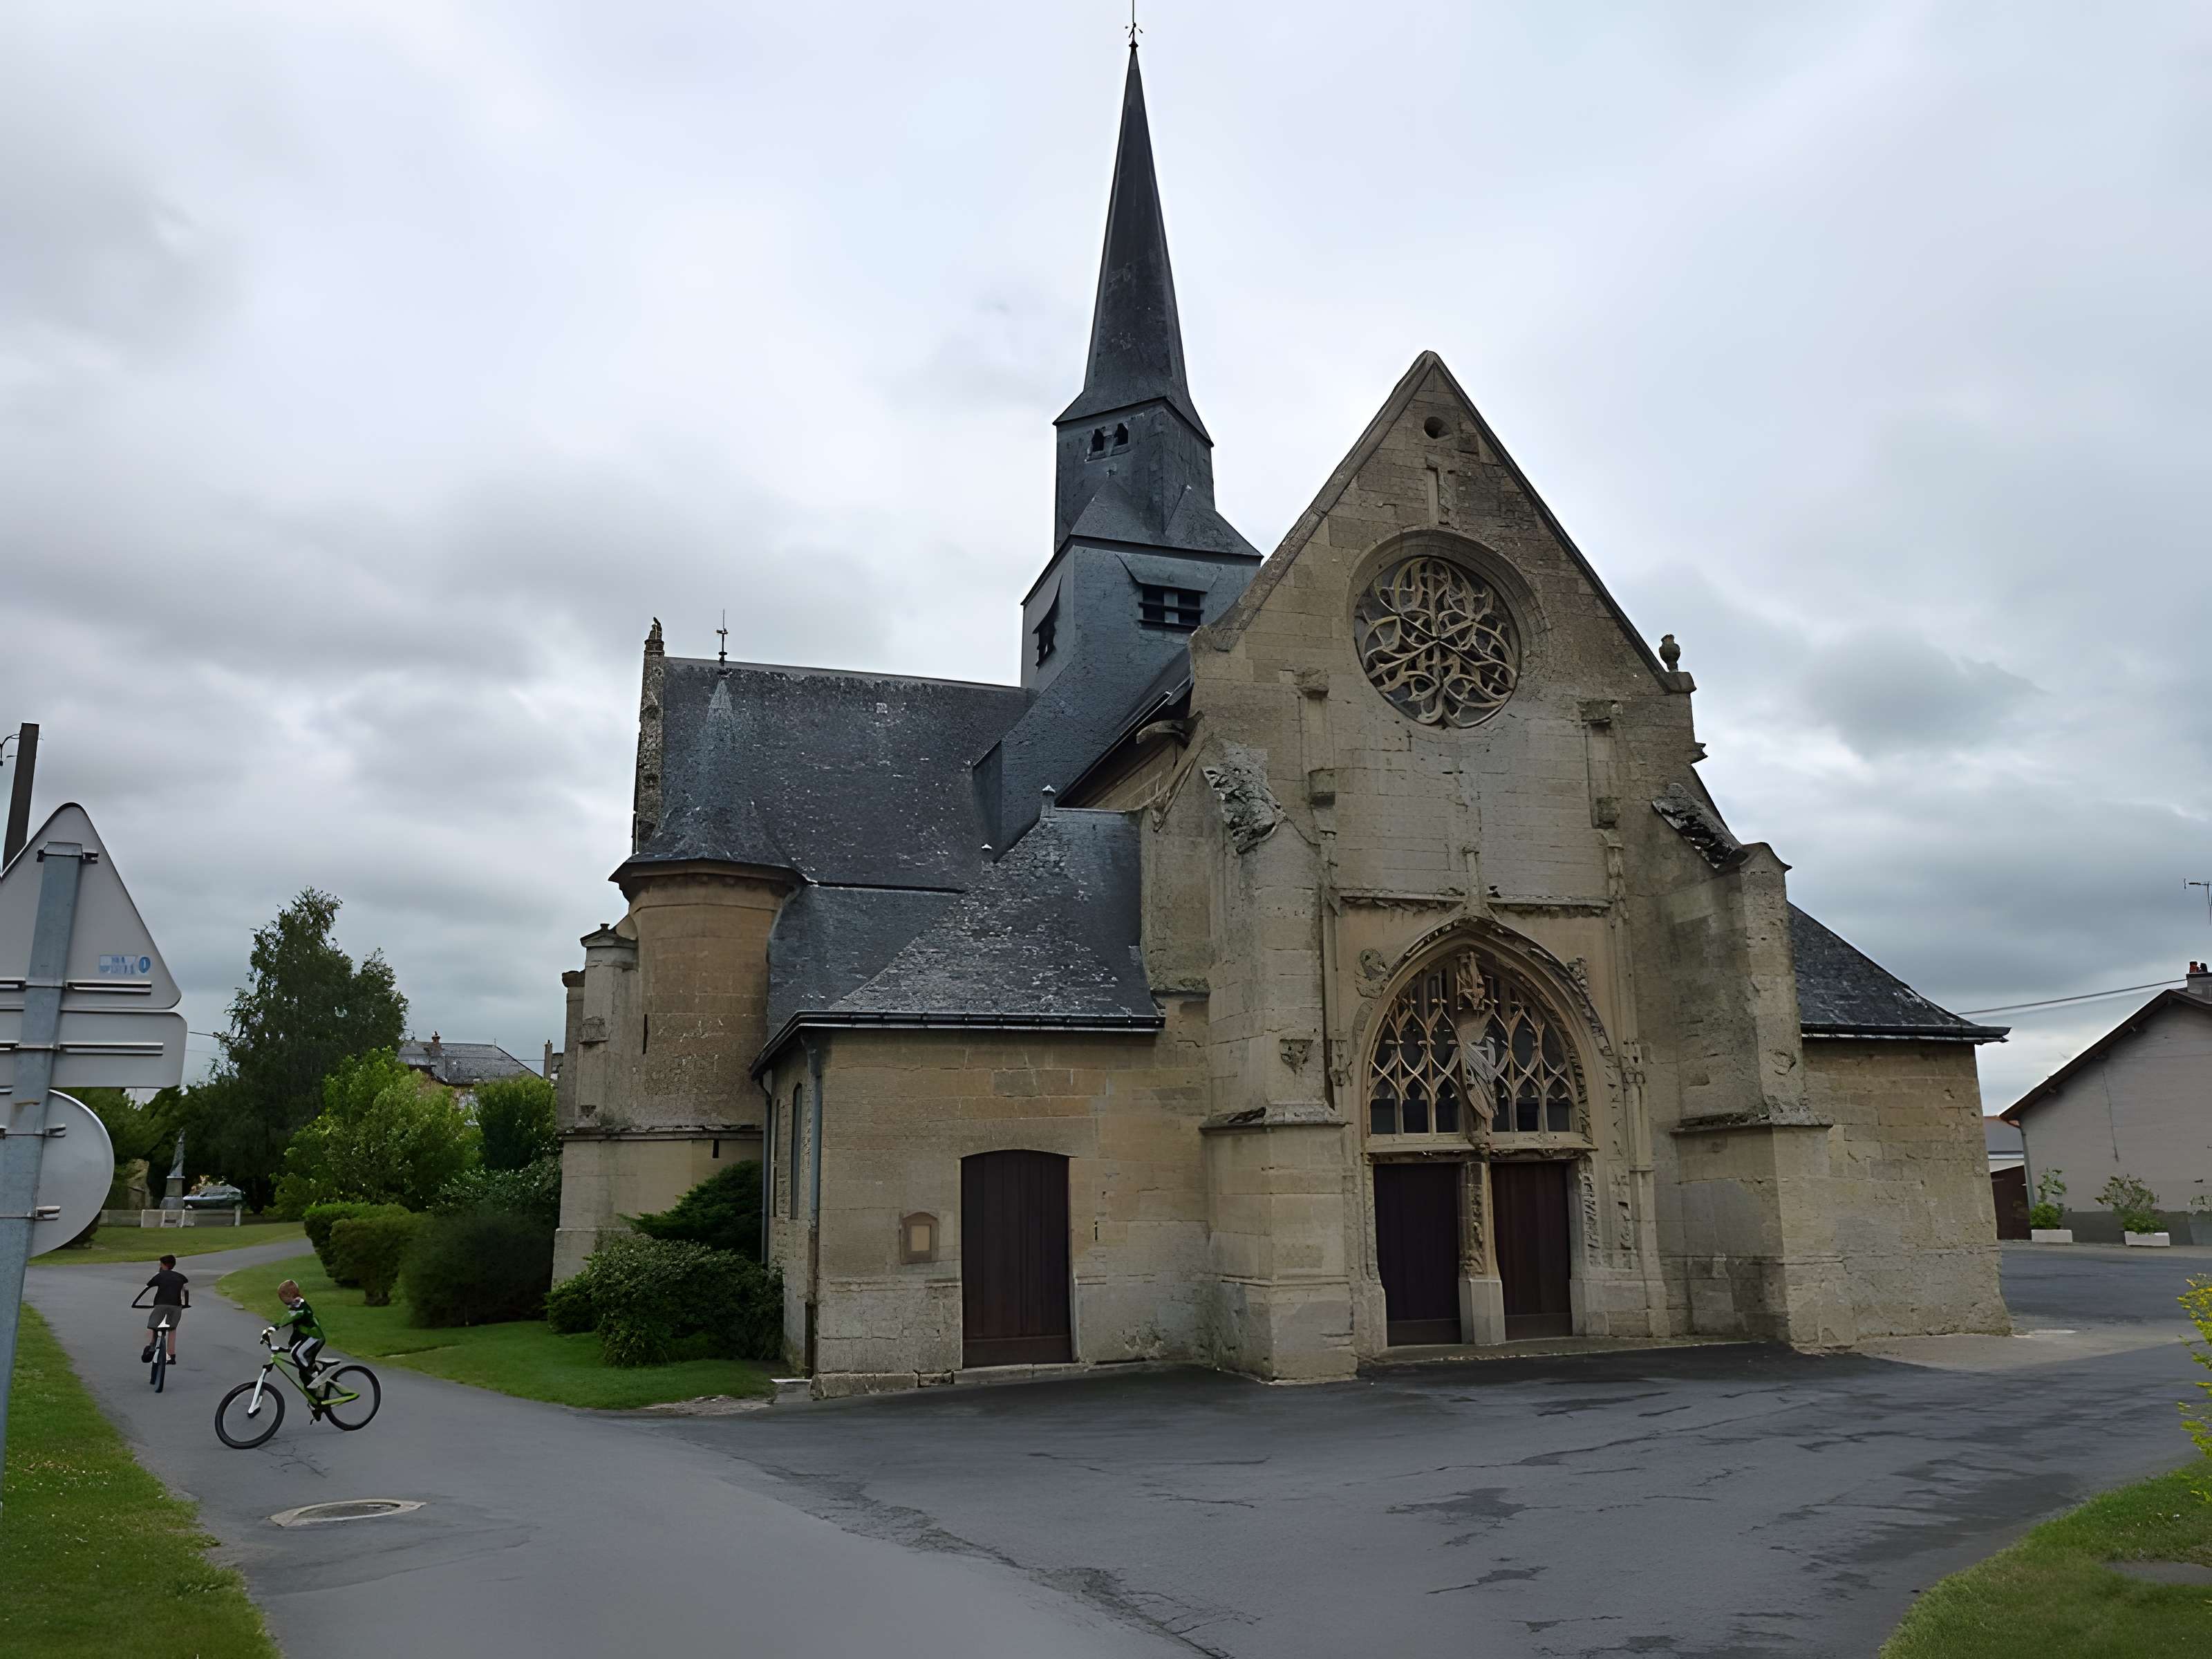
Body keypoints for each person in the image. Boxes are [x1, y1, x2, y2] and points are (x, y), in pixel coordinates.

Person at [270, 1279, 331, 1398]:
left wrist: (274, 1328)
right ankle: (316, 1400)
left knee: (298, 1354)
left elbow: (290, 1317)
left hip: (314, 1337)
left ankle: (313, 1376)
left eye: (283, 1298)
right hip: (306, 1336)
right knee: (298, 1361)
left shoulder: (300, 1305)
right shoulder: (294, 1305)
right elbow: (296, 1329)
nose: (282, 1302)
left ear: (291, 1295)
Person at [140, 1253, 189, 1365]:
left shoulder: (160, 1276)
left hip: (161, 1305)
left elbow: (149, 1285)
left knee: (153, 1325)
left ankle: (152, 1346)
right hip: (176, 1306)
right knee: (172, 1329)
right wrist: (185, 1304)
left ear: (163, 1265)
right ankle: (171, 1355)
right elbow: (185, 1291)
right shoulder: (180, 1277)